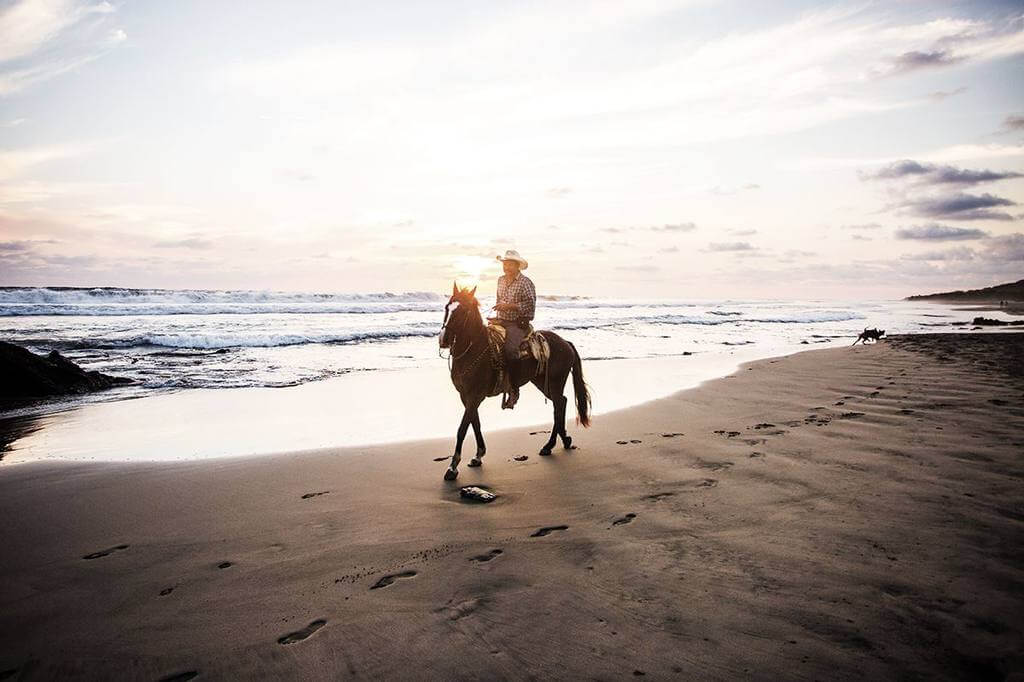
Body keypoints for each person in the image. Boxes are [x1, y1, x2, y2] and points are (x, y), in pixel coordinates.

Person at [491, 249, 536, 409]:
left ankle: (514, 389)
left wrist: (510, 306)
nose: (506, 267)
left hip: (517, 323)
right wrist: (499, 311)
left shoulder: (525, 282)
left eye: (510, 264)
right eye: (505, 264)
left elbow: (530, 304)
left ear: (517, 266)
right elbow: (499, 298)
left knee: (510, 350)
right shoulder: (501, 280)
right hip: (501, 320)